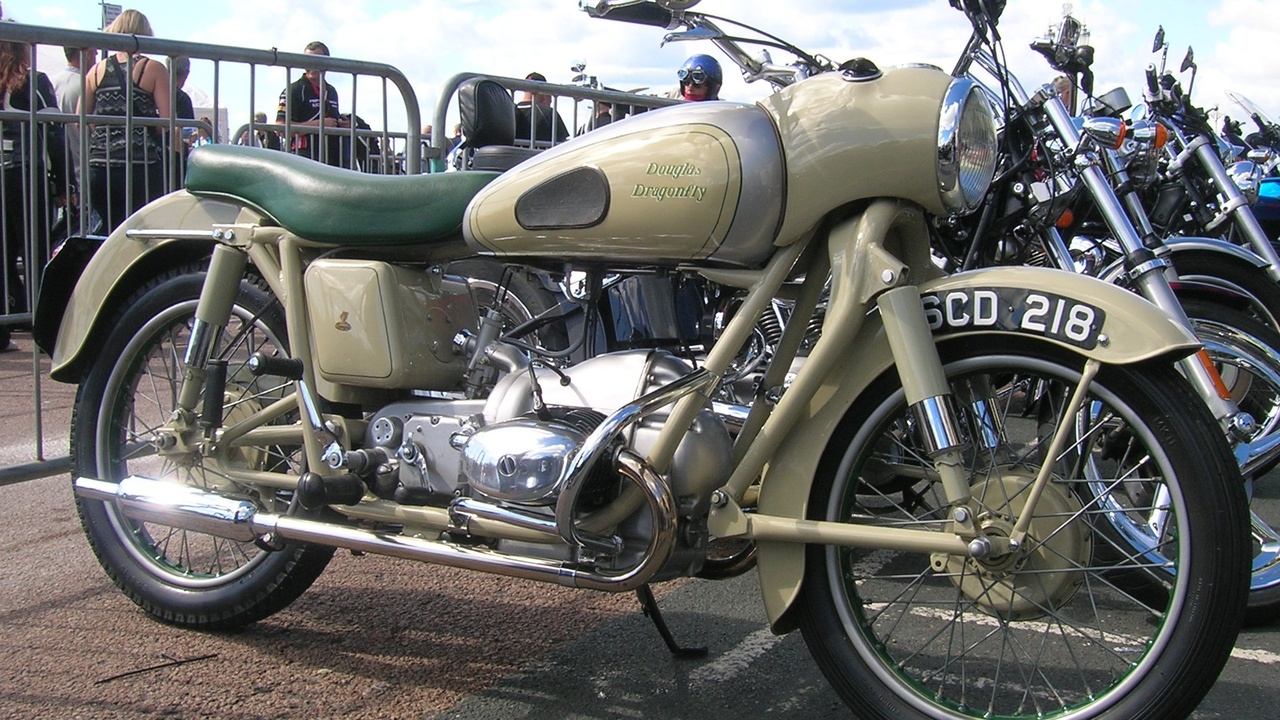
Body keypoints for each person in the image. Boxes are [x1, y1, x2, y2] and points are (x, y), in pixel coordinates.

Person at [0, 35, 69, 348]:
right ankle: (44, 330)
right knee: (37, 253)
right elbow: (55, 133)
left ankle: (5, 327)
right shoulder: (35, 82)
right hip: (27, 172)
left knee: (3, 255)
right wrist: (66, 181)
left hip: (4, 173)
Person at [79, 9, 171, 232]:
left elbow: (80, 115)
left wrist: (105, 130)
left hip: (100, 164)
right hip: (140, 165)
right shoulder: (153, 69)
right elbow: (167, 120)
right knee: (142, 232)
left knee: (108, 231)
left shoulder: (96, 70)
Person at [276, 40, 348, 166]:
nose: (311, 65)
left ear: (327, 62)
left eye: (316, 60)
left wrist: (343, 125)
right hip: (304, 160)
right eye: (307, 60)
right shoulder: (294, 90)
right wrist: (319, 124)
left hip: (333, 159)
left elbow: (332, 120)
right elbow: (281, 129)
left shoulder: (331, 91)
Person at [51, 45, 92, 183]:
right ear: (87, 54)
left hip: (58, 170)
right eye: (95, 53)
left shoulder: (51, 82)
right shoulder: (87, 86)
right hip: (83, 168)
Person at [514, 72, 569, 146]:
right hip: (544, 156)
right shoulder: (548, 113)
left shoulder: (511, 111)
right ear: (544, 89)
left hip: (514, 156)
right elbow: (562, 144)